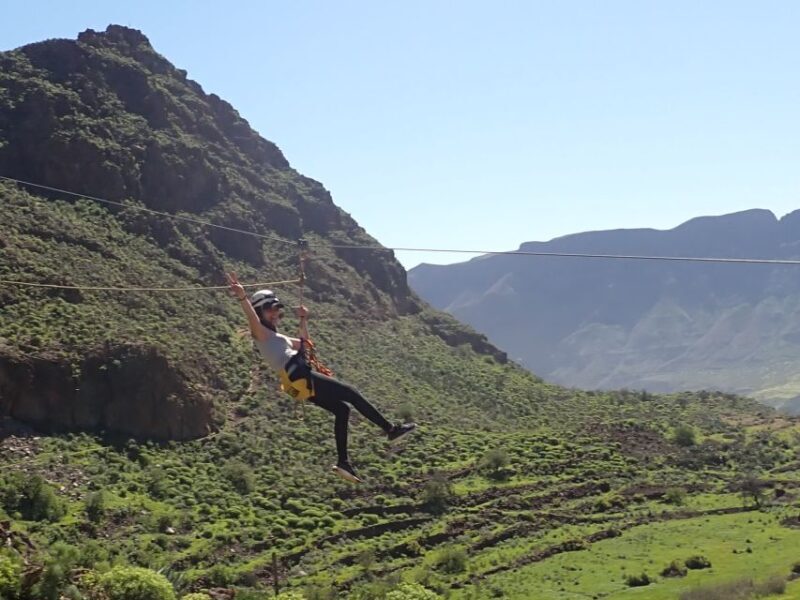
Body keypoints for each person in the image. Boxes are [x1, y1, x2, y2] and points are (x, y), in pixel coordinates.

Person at [226, 272, 415, 482]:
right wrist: (243, 297)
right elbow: (251, 319)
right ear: (260, 311)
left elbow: (305, 344)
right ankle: (390, 429)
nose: (274, 314)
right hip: (300, 376)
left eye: (277, 310)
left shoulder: (279, 337)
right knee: (351, 393)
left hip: (299, 383)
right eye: (269, 309)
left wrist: (303, 319)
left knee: (343, 409)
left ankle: (344, 462)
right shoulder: (260, 333)